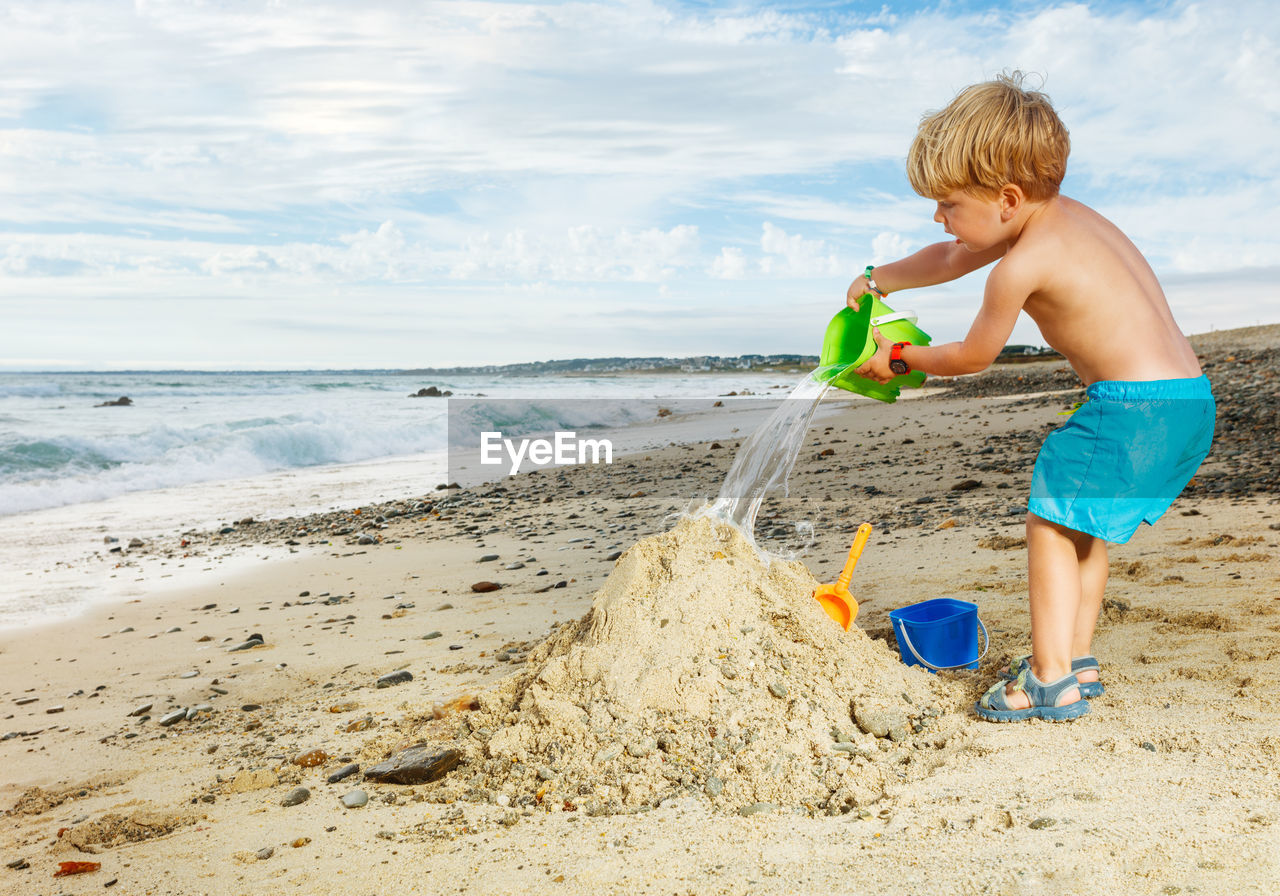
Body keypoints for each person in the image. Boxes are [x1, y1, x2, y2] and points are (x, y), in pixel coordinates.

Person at [848, 72, 1215, 722]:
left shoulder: (1021, 265)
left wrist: (896, 356)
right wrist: (879, 280)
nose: (939, 216)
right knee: (1082, 527)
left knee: (1049, 522)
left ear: (1008, 199)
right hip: (1186, 401)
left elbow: (972, 356)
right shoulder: (1072, 220)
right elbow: (952, 255)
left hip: (1130, 407)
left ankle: (1048, 681)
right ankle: (1075, 660)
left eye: (948, 204)